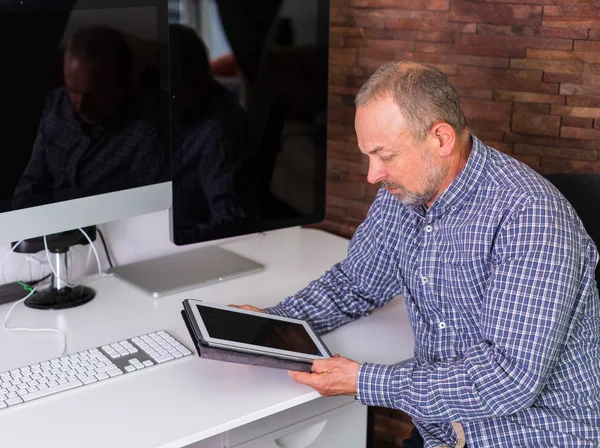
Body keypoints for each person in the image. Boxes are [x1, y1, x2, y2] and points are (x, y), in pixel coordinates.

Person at [233, 61, 600, 447]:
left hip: (531, 436)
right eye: (368, 156)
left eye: (385, 155)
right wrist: (275, 324)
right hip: (442, 430)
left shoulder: (529, 214)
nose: (373, 174)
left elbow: (507, 380)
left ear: (441, 139)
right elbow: (355, 283)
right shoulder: (404, 195)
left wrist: (362, 380)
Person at [14, 24, 167, 199]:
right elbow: (31, 180)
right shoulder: (55, 106)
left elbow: (149, 209)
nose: (80, 105)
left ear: (124, 84)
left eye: (94, 94)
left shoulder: (147, 136)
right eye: (72, 90)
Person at [169, 24, 258, 244]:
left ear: (198, 78)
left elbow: (233, 221)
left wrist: (167, 240)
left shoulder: (219, 132)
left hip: (192, 248)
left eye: (169, 83)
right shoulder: (179, 114)